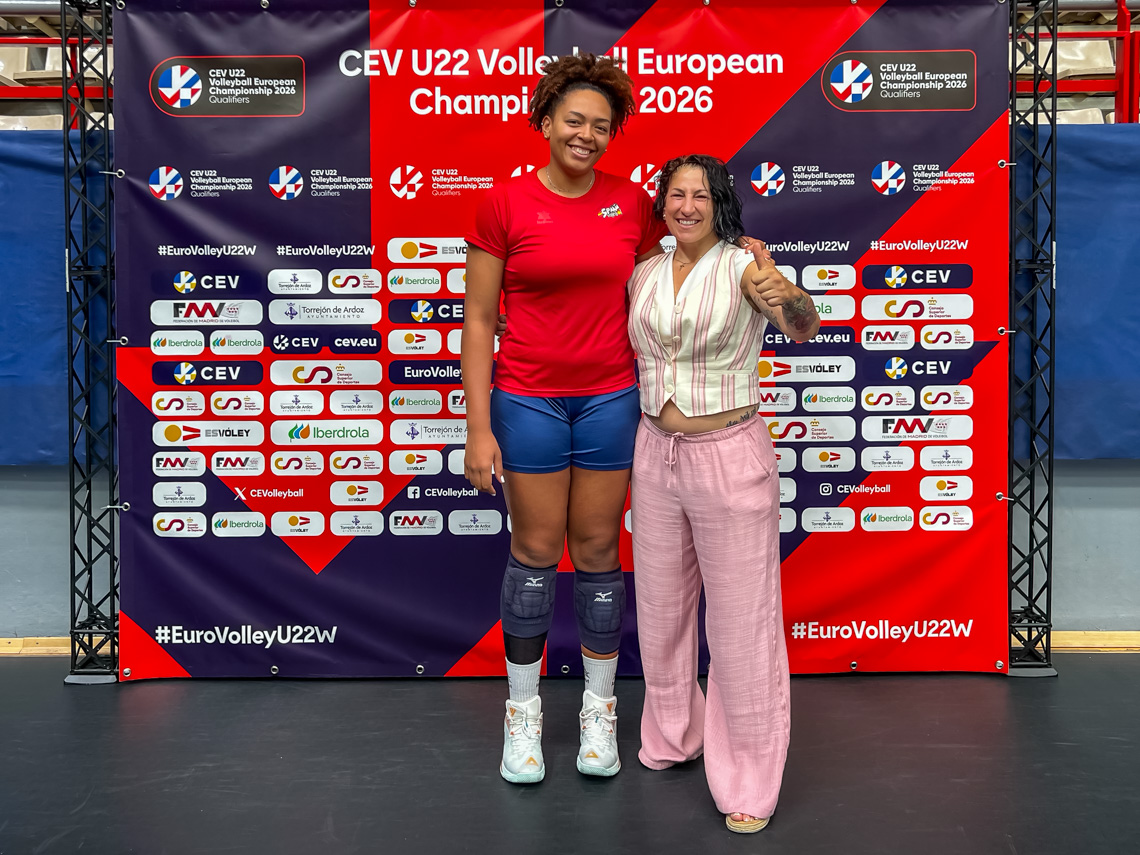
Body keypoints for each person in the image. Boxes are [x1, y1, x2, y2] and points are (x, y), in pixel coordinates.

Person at [461, 53, 668, 785]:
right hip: (528, 398)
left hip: (611, 396)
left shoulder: (633, 203)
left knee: (599, 547)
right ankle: (522, 714)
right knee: (537, 546)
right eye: (574, 121)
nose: (587, 135)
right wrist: (477, 427)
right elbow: (479, 319)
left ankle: (599, 710)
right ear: (546, 122)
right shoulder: (504, 203)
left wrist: (745, 259)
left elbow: (670, 285)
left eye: (601, 126)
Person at [626, 154, 820, 832]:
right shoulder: (645, 271)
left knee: (741, 626)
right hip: (654, 452)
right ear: (662, 203)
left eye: (701, 195)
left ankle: (748, 781)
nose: (687, 205)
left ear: (721, 204)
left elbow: (803, 326)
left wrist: (786, 290)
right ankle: (674, 734)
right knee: (661, 611)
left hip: (729, 455)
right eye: (676, 194)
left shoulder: (744, 266)